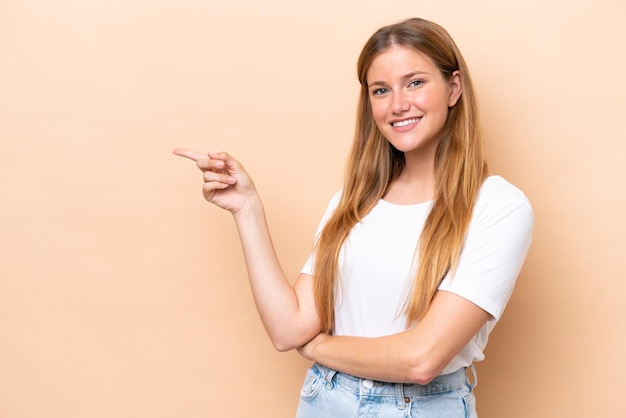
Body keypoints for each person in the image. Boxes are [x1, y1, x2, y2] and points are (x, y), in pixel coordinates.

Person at [174, 17, 533, 418]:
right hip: (325, 398)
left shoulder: (498, 207)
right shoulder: (353, 201)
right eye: (381, 90)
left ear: (453, 87)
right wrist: (247, 209)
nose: (398, 104)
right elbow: (289, 328)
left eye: (415, 82)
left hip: (420, 407)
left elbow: (422, 359)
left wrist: (318, 348)